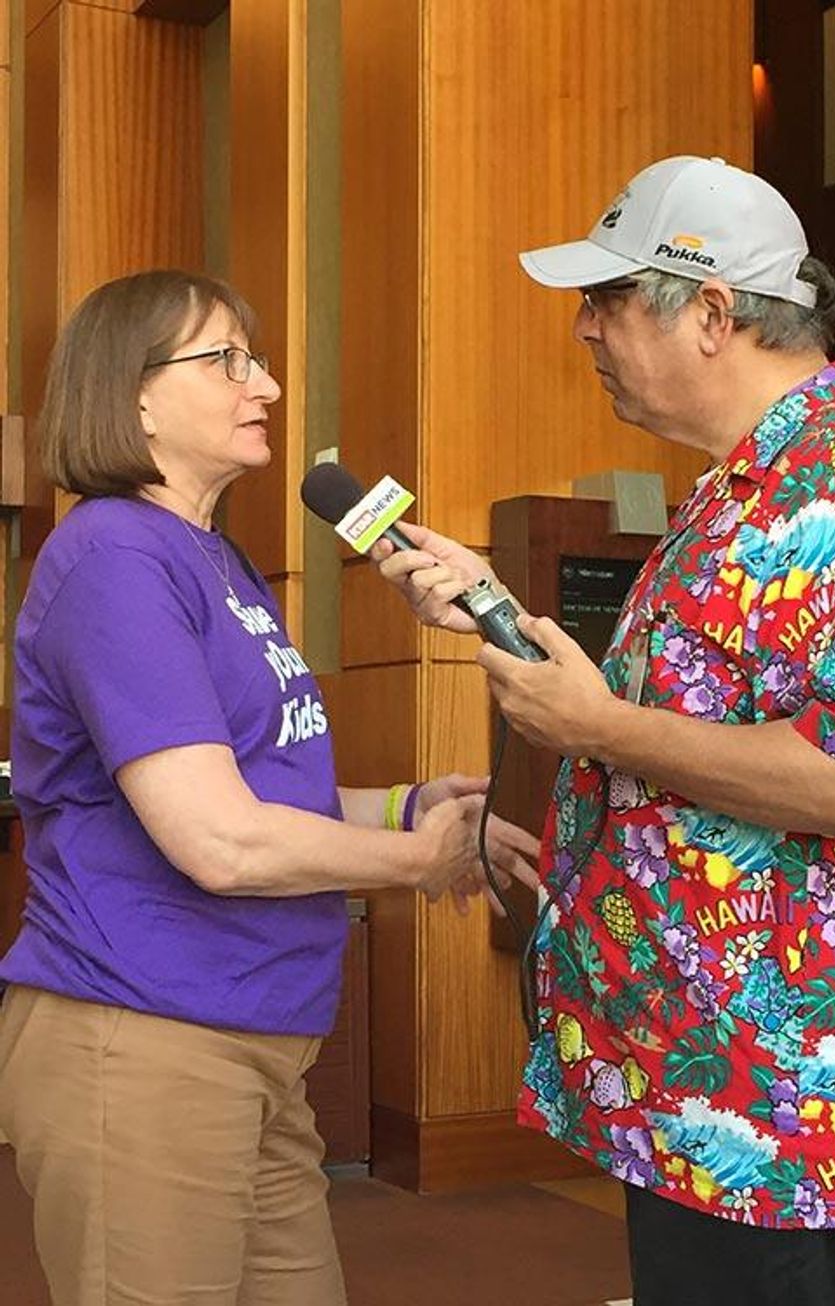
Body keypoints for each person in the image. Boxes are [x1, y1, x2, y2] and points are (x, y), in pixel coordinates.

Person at [373, 157, 835, 1305]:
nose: (582, 329)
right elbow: (693, 713)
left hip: (787, 1111)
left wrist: (601, 727)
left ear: (709, 311)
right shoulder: (740, 487)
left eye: (604, 299)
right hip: (705, 1086)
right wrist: (492, 607)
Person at [0, 269, 540, 1306]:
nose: (269, 386)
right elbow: (221, 840)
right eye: (229, 360)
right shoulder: (114, 554)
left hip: (260, 1045)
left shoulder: (221, 563)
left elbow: (259, 792)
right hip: (145, 1034)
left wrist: (410, 806)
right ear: (134, 396)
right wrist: (418, 859)